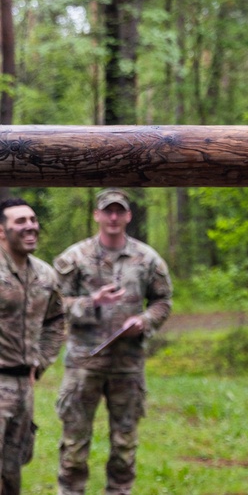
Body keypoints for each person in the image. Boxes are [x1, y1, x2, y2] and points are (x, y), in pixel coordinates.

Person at [53, 189, 172, 495]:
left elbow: (163, 301)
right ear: (97, 215)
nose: (114, 217)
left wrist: (144, 321)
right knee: (74, 445)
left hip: (127, 364)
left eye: (120, 211)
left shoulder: (147, 259)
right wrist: (92, 301)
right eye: (108, 211)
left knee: (124, 445)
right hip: (84, 362)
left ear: (129, 216)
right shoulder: (74, 258)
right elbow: (52, 304)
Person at [0, 198, 66, 495]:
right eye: (20, 222)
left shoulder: (45, 275)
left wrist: (40, 361)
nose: (30, 227)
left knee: (13, 466)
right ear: (2, 231)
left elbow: (55, 320)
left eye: (33, 220)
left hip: (24, 384)